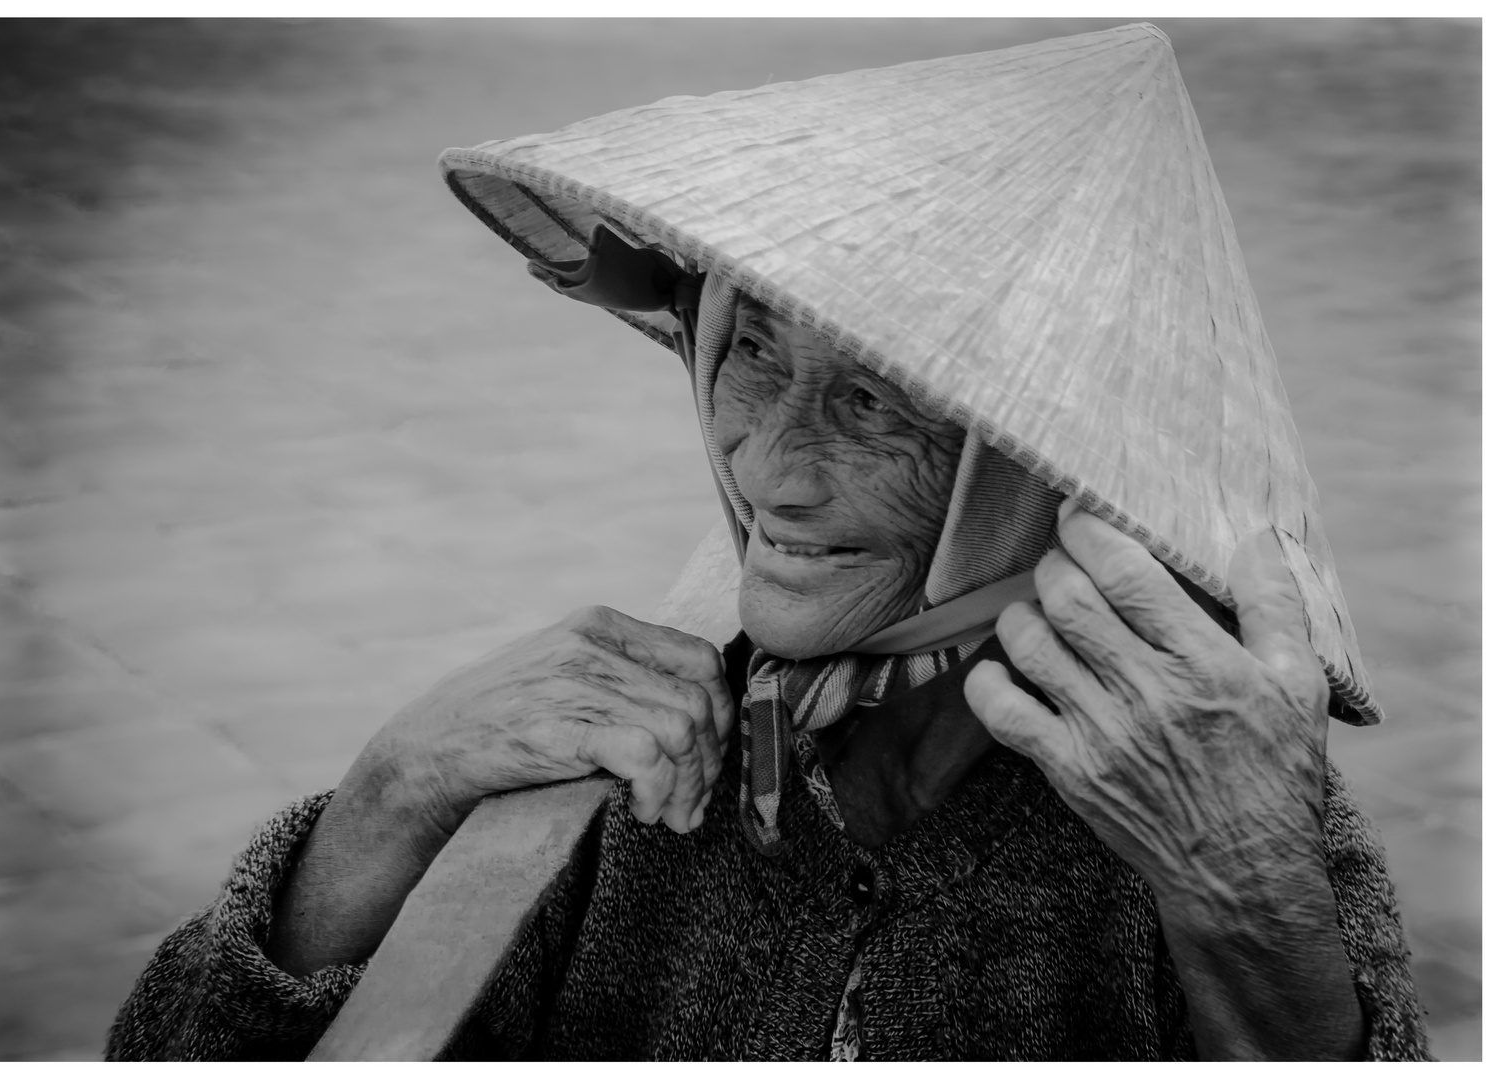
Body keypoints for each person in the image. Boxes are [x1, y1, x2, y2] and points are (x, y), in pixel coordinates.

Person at [106, 24, 1430, 1061]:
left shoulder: (1210, 775)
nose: (769, 475)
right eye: (746, 354)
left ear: (1036, 461)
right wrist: (390, 793)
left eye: (868, 403)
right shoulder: (624, 760)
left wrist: (1246, 908)